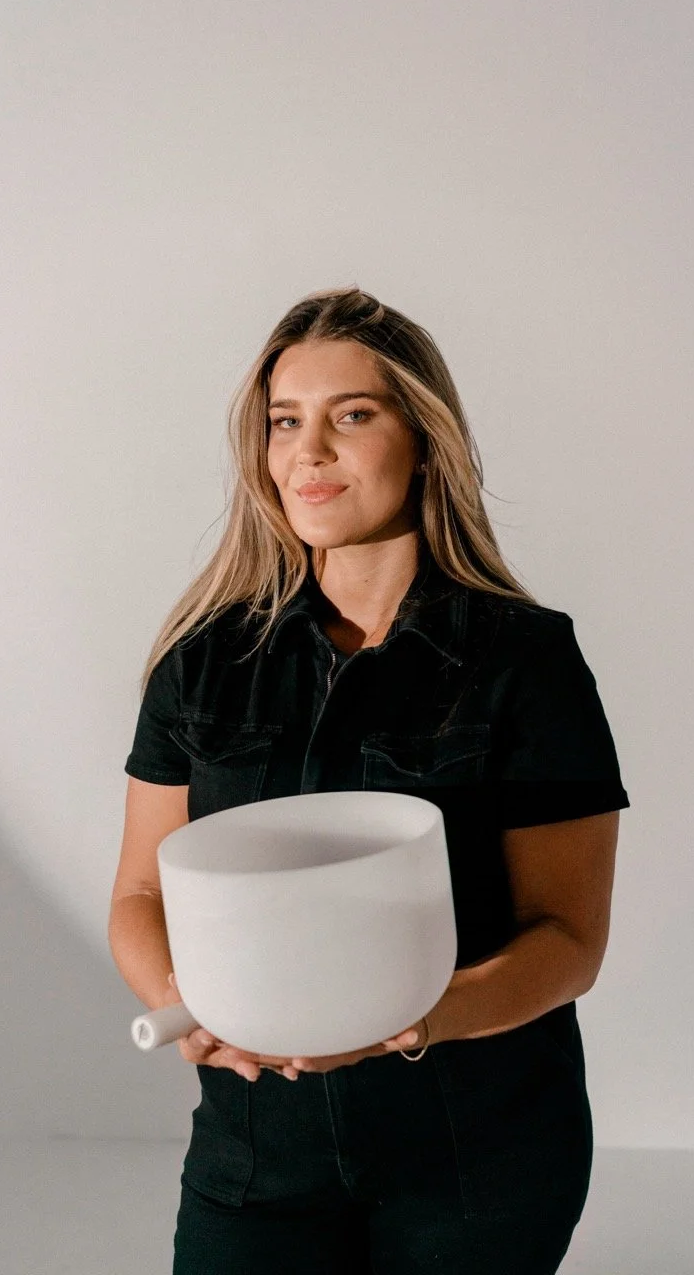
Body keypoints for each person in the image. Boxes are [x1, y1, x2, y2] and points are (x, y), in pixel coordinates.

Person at [108, 285, 630, 1274]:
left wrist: (409, 1020)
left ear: (423, 441)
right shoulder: (202, 662)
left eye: (350, 415)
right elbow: (139, 893)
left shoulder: (523, 660)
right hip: (257, 1156)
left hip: (473, 1158)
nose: (308, 452)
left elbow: (567, 940)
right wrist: (186, 996)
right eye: (284, 422)